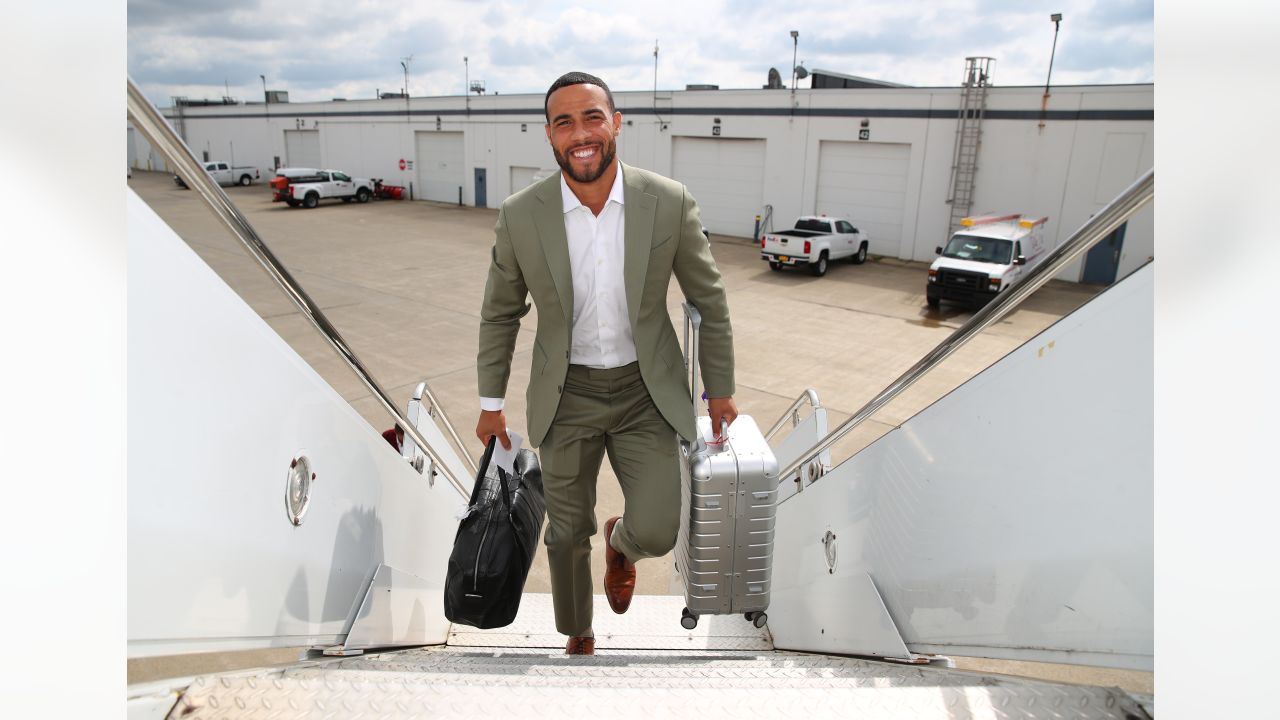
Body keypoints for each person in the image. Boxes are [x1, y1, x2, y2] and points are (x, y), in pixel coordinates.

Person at [475, 72, 738, 656]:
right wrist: (490, 405)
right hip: (566, 393)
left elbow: (709, 298)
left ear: (616, 122)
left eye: (592, 116)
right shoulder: (522, 215)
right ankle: (578, 630)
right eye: (563, 122)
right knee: (567, 532)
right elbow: (499, 314)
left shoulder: (667, 202)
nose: (580, 133)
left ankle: (622, 543)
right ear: (548, 135)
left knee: (662, 528)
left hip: (646, 390)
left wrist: (720, 389)